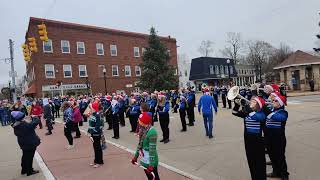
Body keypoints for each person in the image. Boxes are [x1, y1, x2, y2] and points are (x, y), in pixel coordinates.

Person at [232, 96, 267, 180]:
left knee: (259, 163)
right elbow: (234, 112)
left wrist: (247, 107)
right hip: (248, 141)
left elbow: (257, 117)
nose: (251, 102)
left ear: (258, 105)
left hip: (258, 142)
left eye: (254, 102)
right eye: (251, 101)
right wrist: (237, 105)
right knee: (251, 162)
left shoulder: (261, 114)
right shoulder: (248, 112)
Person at [265, 92, 289, 180]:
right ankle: (275, 172)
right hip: (269, 138)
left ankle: (284, 175)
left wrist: (265, 109)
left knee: (280, 157)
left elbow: (277, 117)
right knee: (272, 156)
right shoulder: (271, 110)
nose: (273, 102)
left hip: (278, 139)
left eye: (276, 101)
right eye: (273, 100)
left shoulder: (283, 112)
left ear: (280, 104)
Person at [131, 110, 160, 180]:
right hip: (144, 160)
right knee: (149, 178)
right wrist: (135, 157)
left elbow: (152, 150)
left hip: (150, 161)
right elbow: (140, 145)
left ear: (144, 122)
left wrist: (151, 165)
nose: (138, 121)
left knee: (155, 178)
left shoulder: (152, 132)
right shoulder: (142, 129)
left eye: (139, 120)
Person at [11, 111, 40, 176]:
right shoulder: (23, 124)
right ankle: (29, 171)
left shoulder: (17, 124)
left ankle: (24, 170)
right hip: (29, 143)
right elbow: (35, 122)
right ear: (21, 117)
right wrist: (35, 117)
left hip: (23, 143)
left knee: (25, 156)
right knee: (29, 157)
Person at [87, 101, 104, 168]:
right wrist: (88, 131)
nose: (90, 108)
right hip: (93, 134)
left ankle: (99, 161)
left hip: (96, 134)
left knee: (97, 148)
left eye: (92, 107)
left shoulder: (97, 115)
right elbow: (90, 124)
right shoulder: (92, 114)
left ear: (95, 108)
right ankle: (96, 160)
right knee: (95, 147)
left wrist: (92, 132)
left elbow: (97, 126)